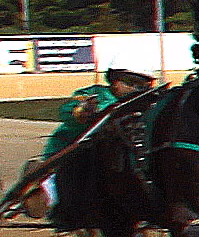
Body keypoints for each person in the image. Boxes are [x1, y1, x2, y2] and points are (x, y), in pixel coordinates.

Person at [18, 68, 156, 221]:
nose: (136, 89)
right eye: (131, 83)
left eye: (144, 85)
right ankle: (49, 200)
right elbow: (67, 110)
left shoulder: (145, 102)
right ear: (115, 81)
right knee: (60, 183)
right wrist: (81, 111)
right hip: (72, 151)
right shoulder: (94, 95)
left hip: (116, 153)